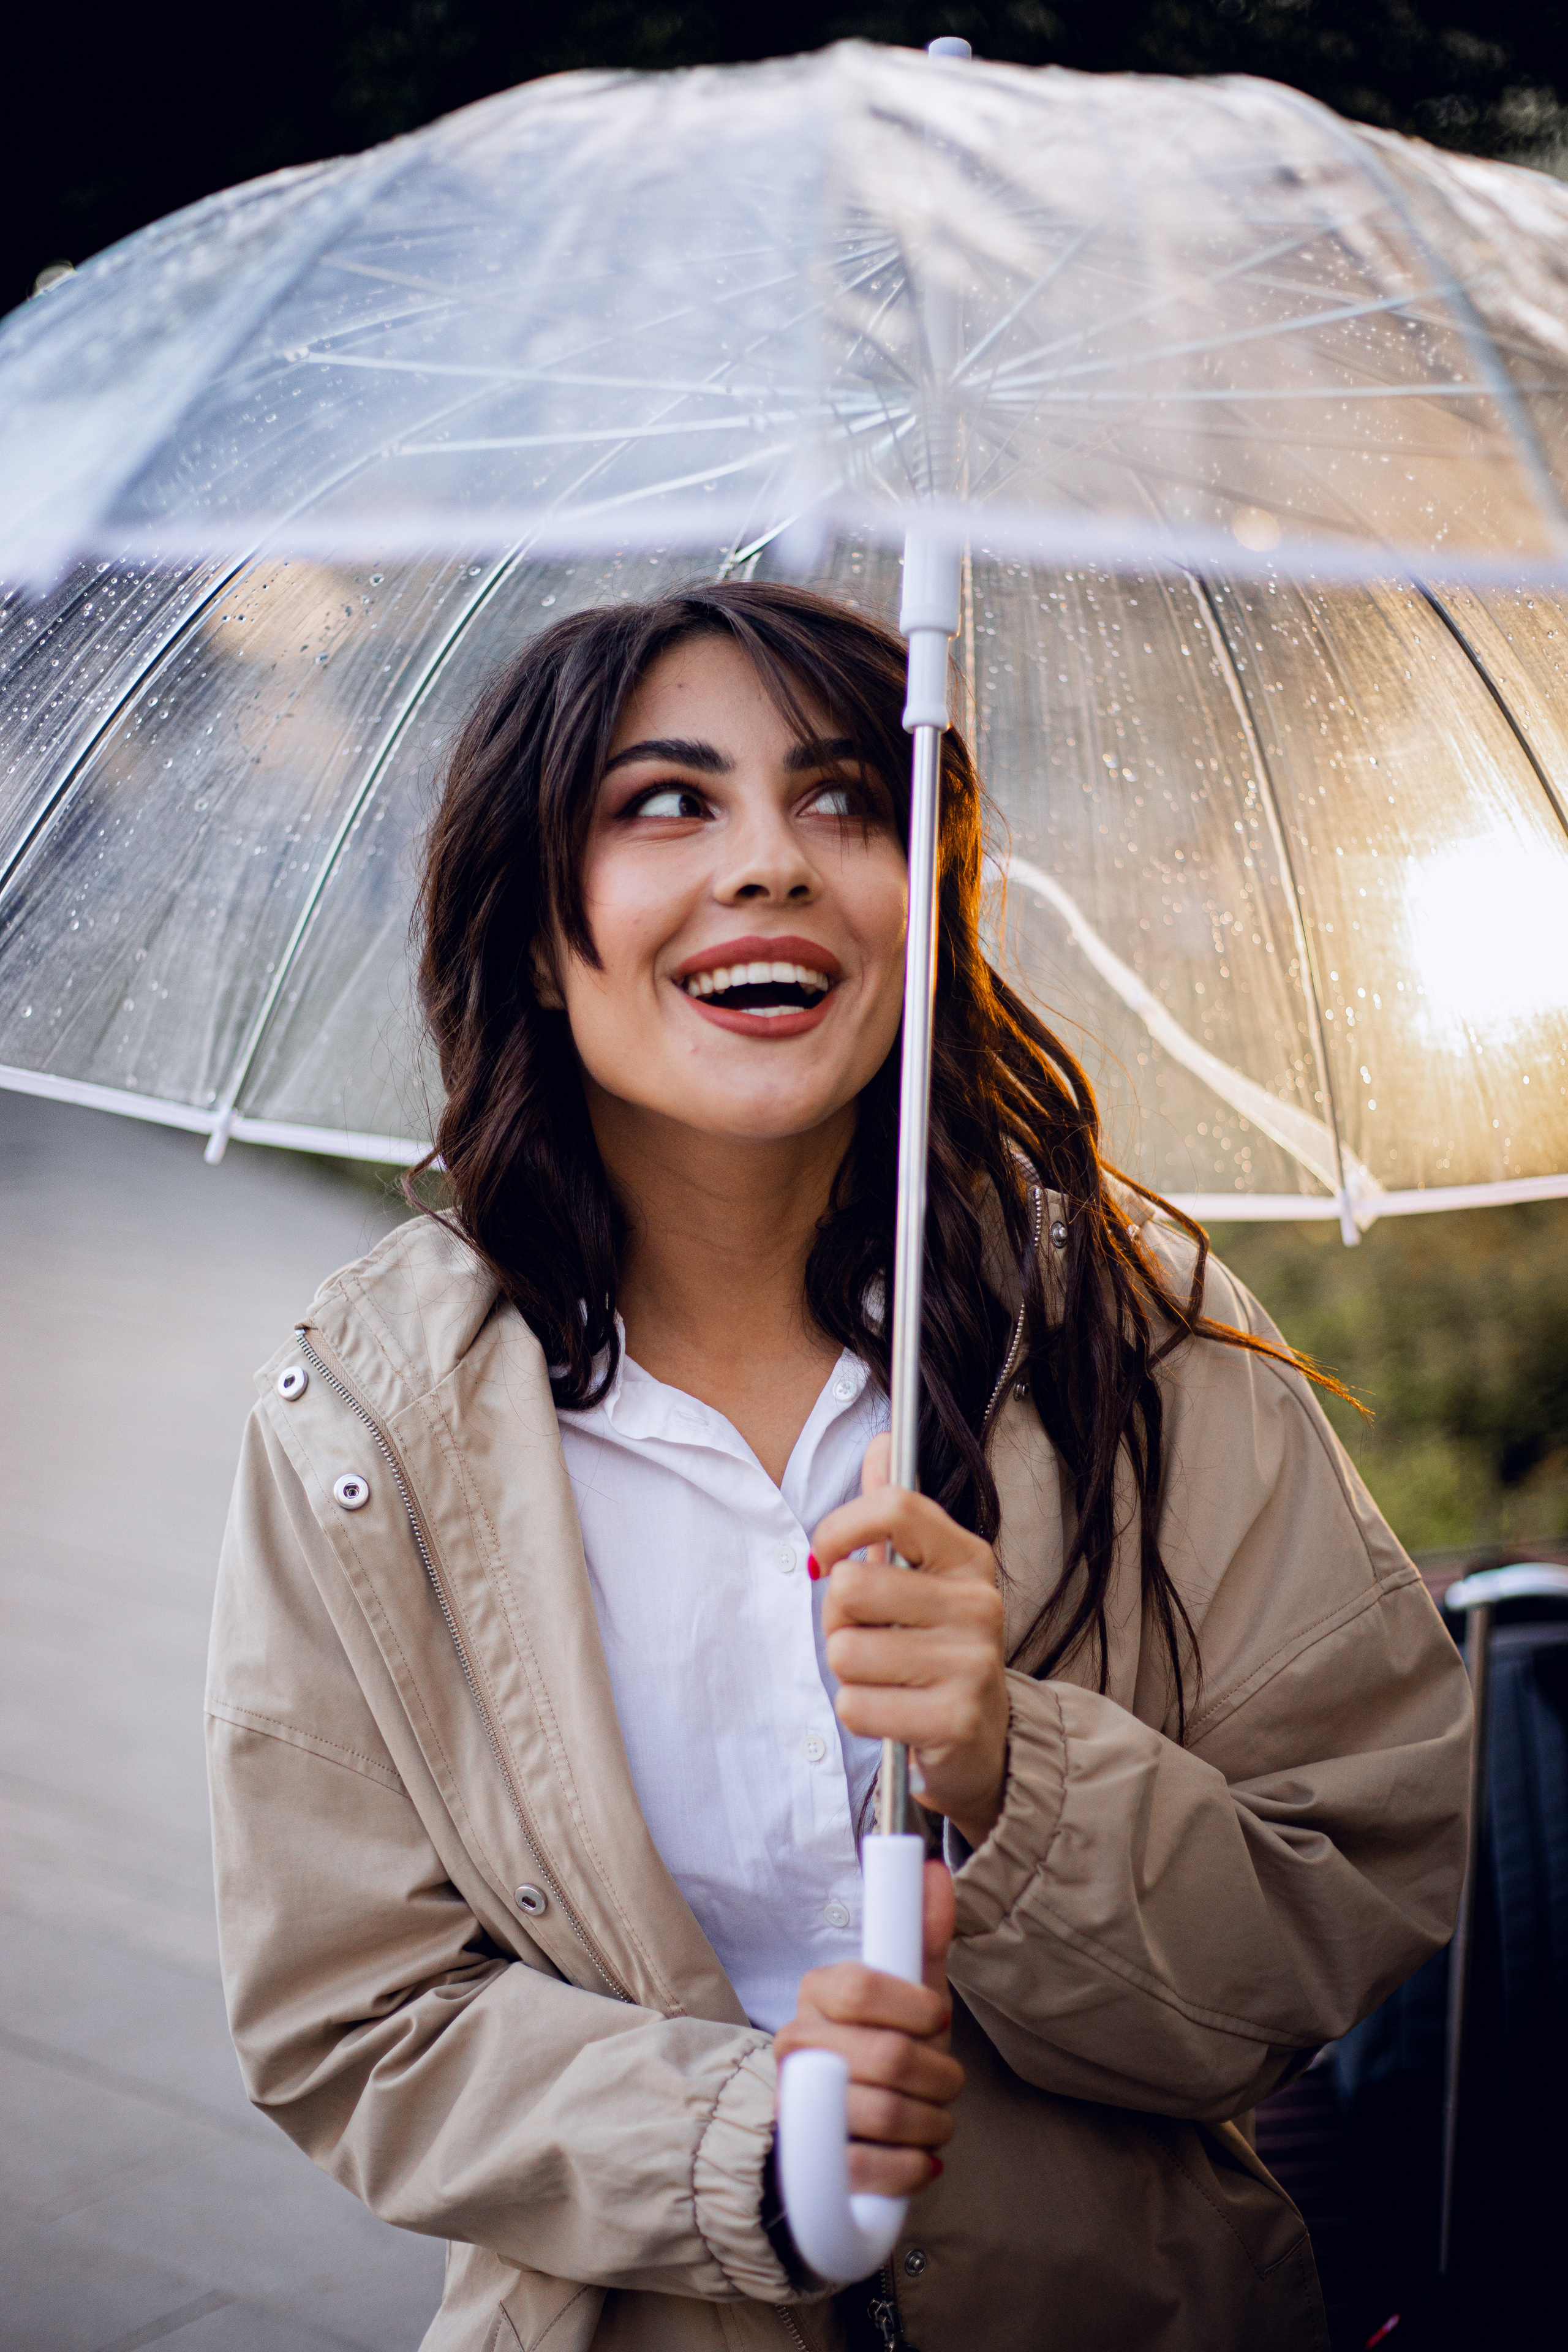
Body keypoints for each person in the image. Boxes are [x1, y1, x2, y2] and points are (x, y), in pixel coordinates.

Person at [206, 582, 1470, 2352]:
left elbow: (1360, 1876)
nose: (772, 862)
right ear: (535, 930)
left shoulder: (1138, 1338)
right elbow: (355, 2017)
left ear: (927, 906)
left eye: (841, 800)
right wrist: (743, 2152)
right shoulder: (367, 1427)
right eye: (667, 802)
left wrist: (1012, 1772)